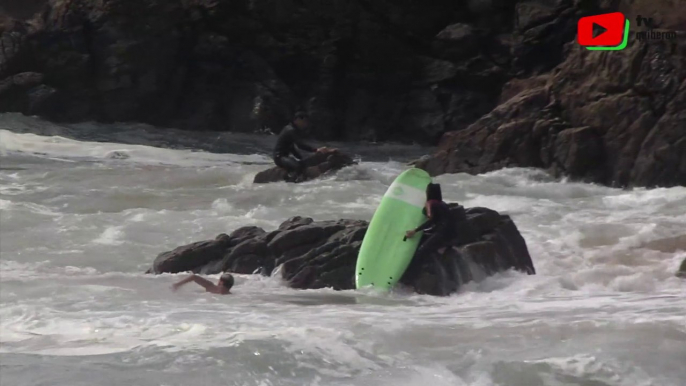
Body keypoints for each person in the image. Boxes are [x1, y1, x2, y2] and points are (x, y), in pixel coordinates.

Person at [404, 183, 457, 287]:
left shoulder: (431, 203)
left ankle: (409, 279)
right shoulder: (442, 204)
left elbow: (431, 220)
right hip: (452, 234)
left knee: (421, 251)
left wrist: (415, 230)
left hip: (442, 234)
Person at [273, 111, 332, 181]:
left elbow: (291, 147)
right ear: (297, 120)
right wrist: (316, 150)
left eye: (306, 122)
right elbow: (300, 145)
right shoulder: (290, 130)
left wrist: (299, 157)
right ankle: (292, 182)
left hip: (284, 156)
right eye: (304, 121)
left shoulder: (292, 129)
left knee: (301, 163)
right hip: (279, 157)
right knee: (298, 166)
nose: (305, 124)